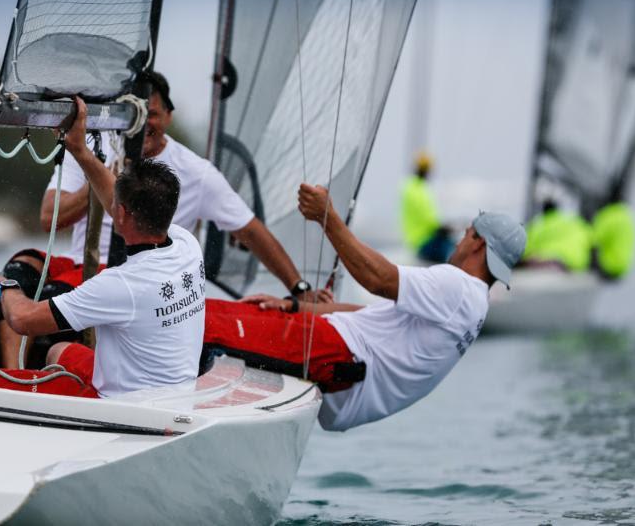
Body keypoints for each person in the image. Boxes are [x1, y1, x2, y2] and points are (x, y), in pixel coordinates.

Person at [0, 71, 323, 368]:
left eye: (150, 114)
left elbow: (251, 231)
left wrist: (299, 288)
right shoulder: (89, 144)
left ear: (168, 115)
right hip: (82, 265)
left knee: (45, 301)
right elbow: (49, 218)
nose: (142, 124)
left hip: (132, 282)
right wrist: (98, 174)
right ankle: (11, 374)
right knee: (19, 269)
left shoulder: (196, 173)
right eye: (132, 114)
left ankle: (33, 384)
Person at [204, 183, 526, 431]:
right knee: (209, 312)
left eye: (466, 233)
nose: (459, 241)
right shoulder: (473, 304)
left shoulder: (459, 287)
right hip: (336, 345)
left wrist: (326, 217)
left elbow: (377, 278)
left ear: (478, 242)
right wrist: (292, 307)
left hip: (340, 355)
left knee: (204, 324)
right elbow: (369, 315)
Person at [0, 103, 205, 397]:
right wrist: (80, 151)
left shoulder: (120, 284)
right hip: (174, 390)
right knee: (58, 351)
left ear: (120, 215)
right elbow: (116, 199)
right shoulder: (186, 245)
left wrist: (6, 286)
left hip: (123, 407)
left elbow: (23, 319)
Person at [400, 151, 455, 263]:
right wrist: (442, 228)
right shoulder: (417, 189)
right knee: (456, 251)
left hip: (418, 240)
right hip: (424, 241)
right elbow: (426, 218)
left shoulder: (412, 186)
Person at [522, 199, 591, 272]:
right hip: (571, 263)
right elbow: (591, 238)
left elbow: (524, 247)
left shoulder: (537, 226)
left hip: (541, 261)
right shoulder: (575, 222)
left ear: (543, 212)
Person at [591, 201, 635, 279]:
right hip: (622, 267)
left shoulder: (609, 216)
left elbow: (592, 238)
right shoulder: (626, 216)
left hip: (608, 267)